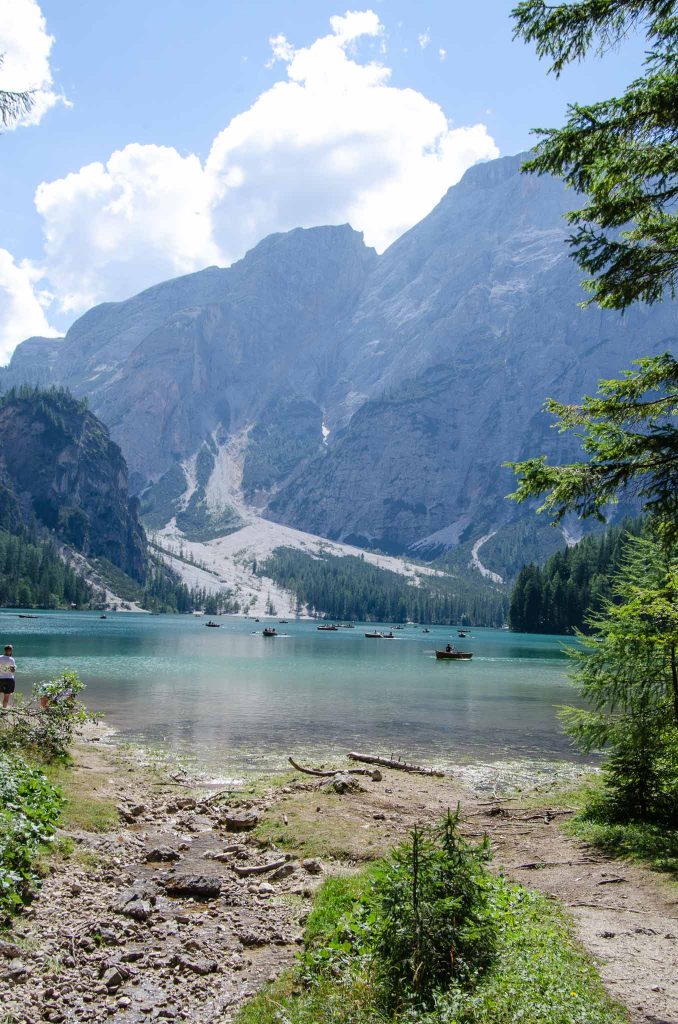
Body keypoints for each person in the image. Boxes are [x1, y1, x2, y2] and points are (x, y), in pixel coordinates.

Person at [0, 644, 16, 709]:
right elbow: (13, 671)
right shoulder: (11, 659)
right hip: (9, 679)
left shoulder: (0, 657)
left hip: (0, 678)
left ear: (5, 650)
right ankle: (3, 709)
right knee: (6, 696)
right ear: (11, 651)